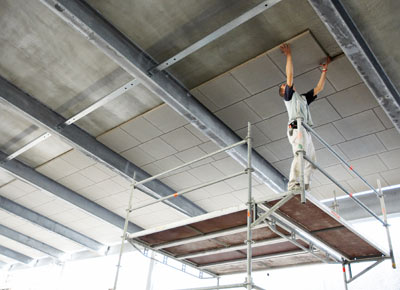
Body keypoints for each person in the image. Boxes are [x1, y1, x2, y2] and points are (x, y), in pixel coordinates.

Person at [278, 43, 330, 191]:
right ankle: (293, 184)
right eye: (284, 85)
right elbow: (290, 75)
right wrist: (288, 55)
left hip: (305, 128)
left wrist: (325, 70)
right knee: (299, 153)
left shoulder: (302, 98)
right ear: (284, 91)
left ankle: (304, 185)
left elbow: (319, 88)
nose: (287, 84)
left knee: (312, 160)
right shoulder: (289, 97)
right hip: (295, 125)